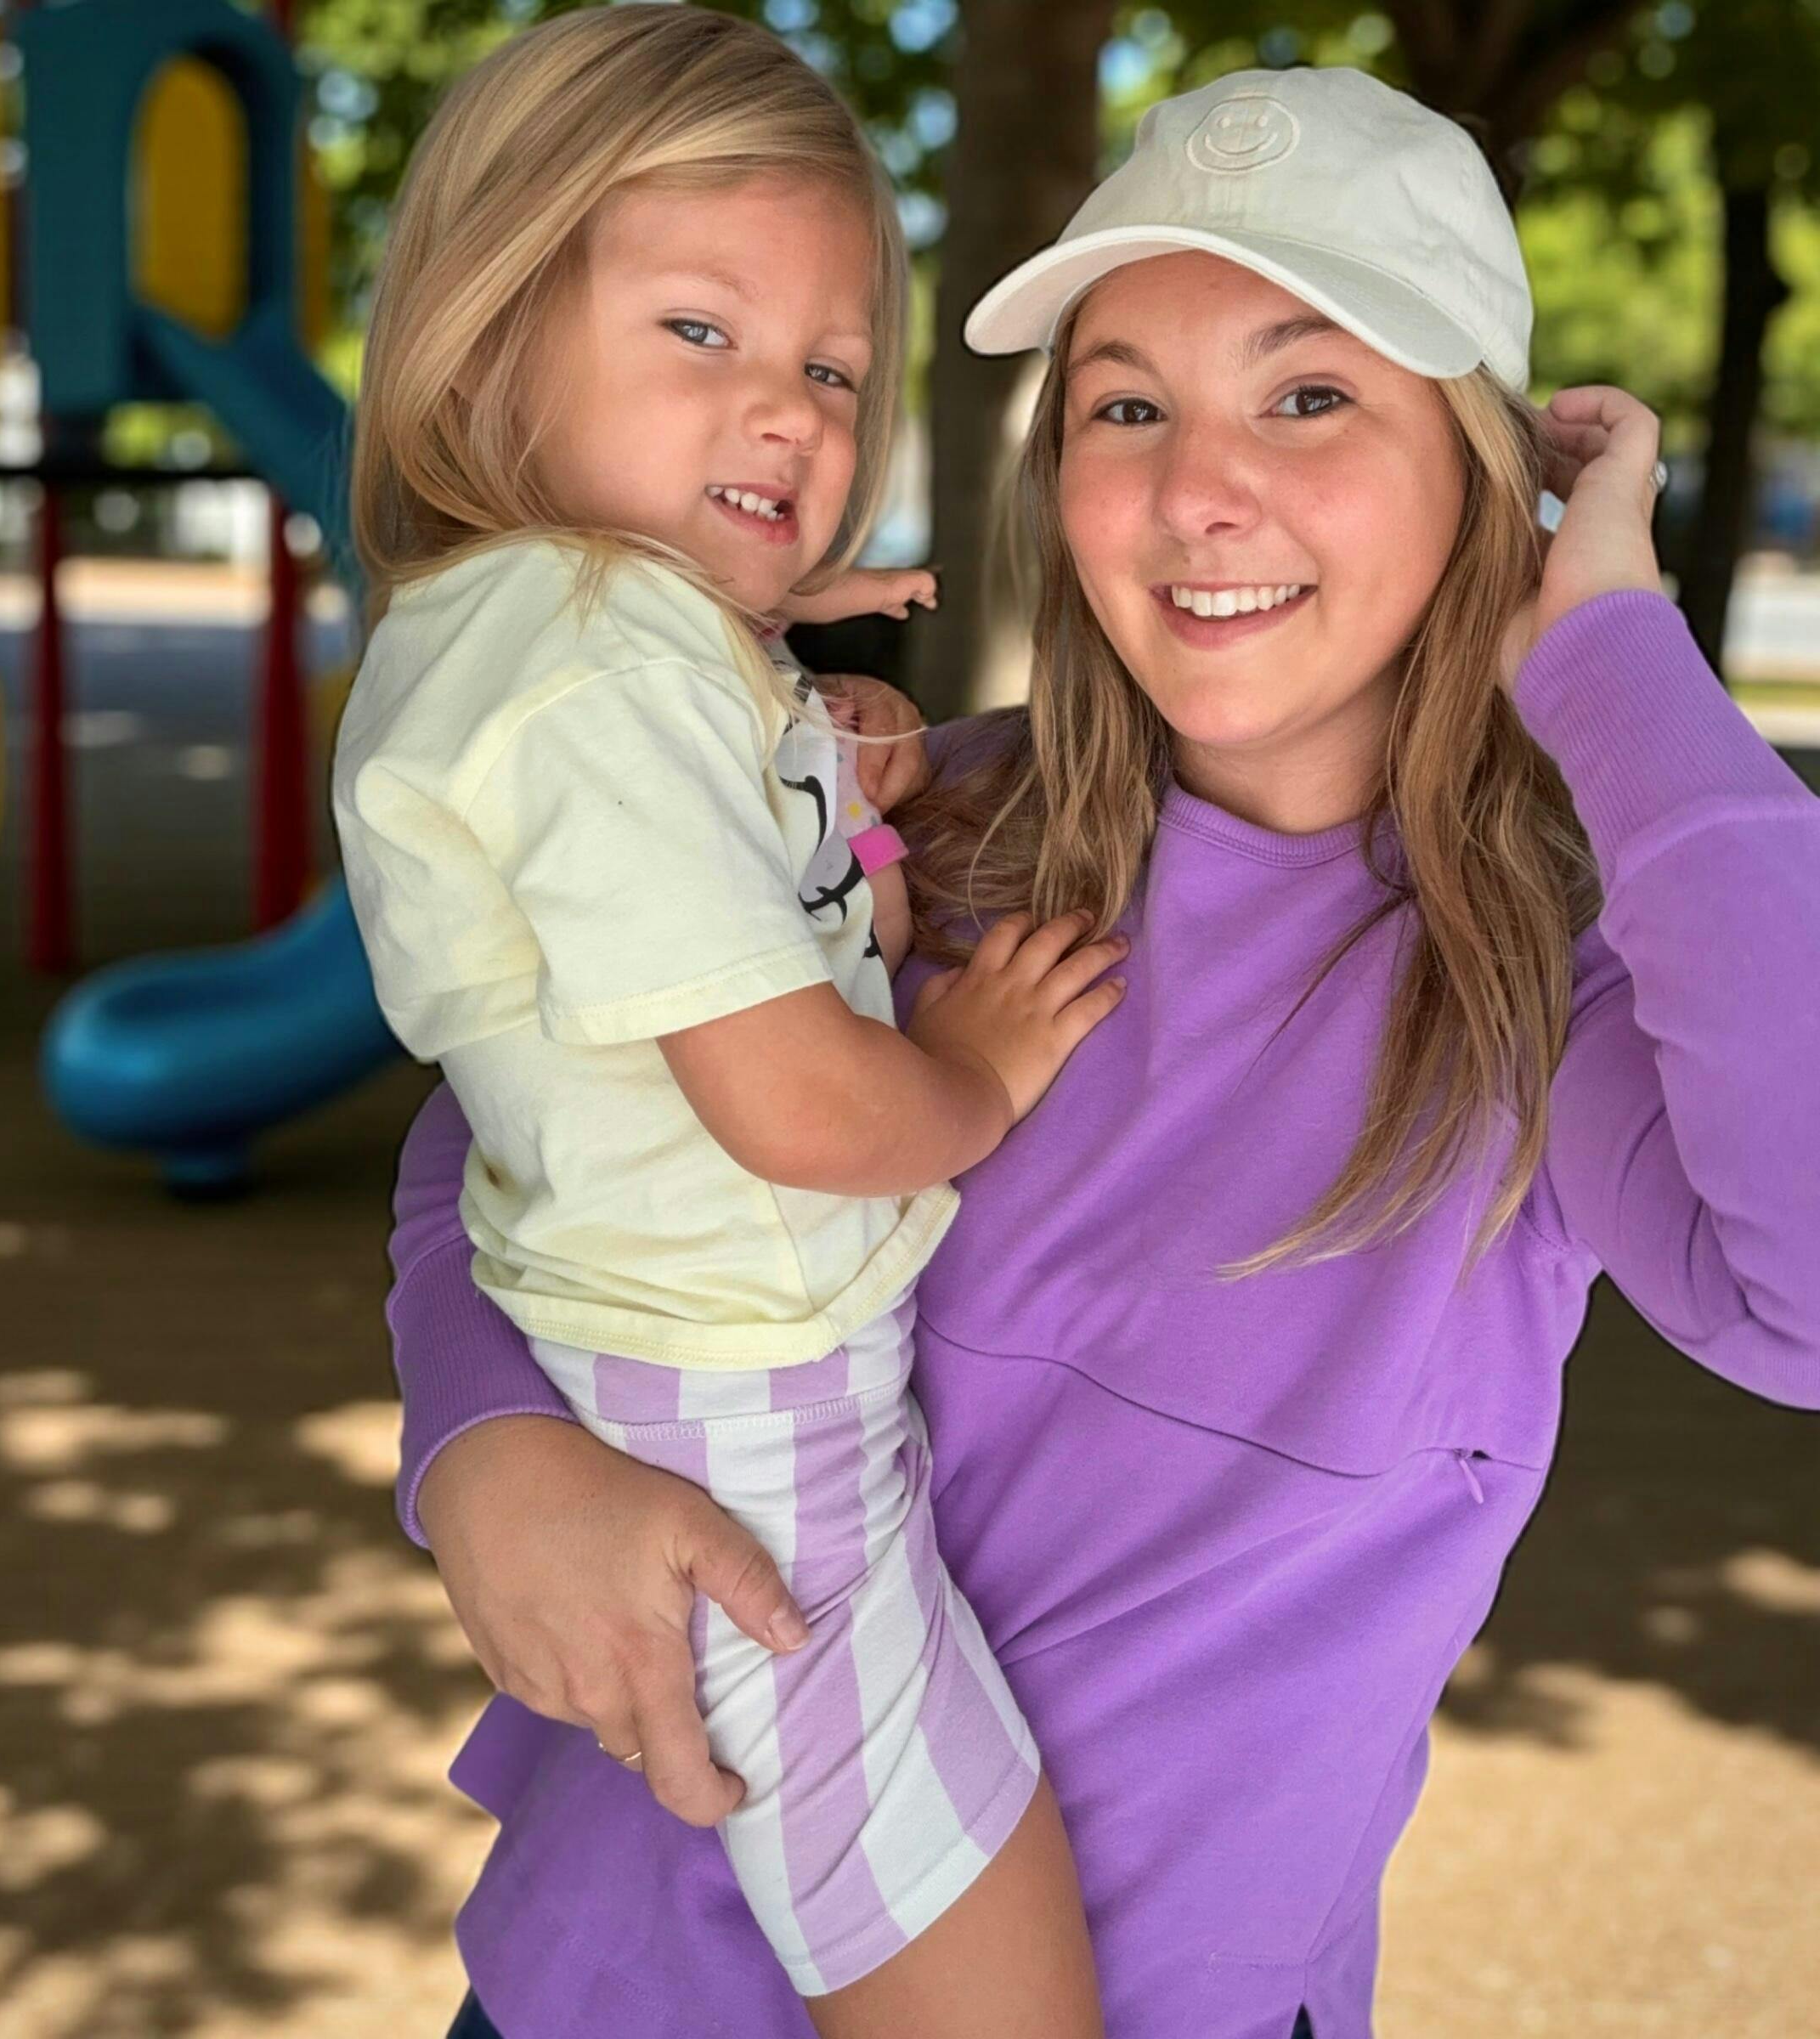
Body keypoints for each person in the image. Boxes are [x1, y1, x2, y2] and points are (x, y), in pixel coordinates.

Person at [385, 62, 1820, 2039]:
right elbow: (527, 1105)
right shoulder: (918, 822)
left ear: (1487, 472)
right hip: (614, 1974)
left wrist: (1612, 653)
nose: (1196, 488)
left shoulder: (1549, 997)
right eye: (1126, 406)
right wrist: (485, 1440)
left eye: (1309, 397)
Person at [331, 8, 1118, 2035]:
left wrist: (813, 749)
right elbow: (796, 1103)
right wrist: (978, 1073)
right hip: (751, 1408)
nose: (785, 410)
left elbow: (751, 912)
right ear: (488, 340)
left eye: (832, 370)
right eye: (701, 332)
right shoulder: (595, 665)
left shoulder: (598, 633)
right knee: (987, 1990)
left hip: (707, 1362)